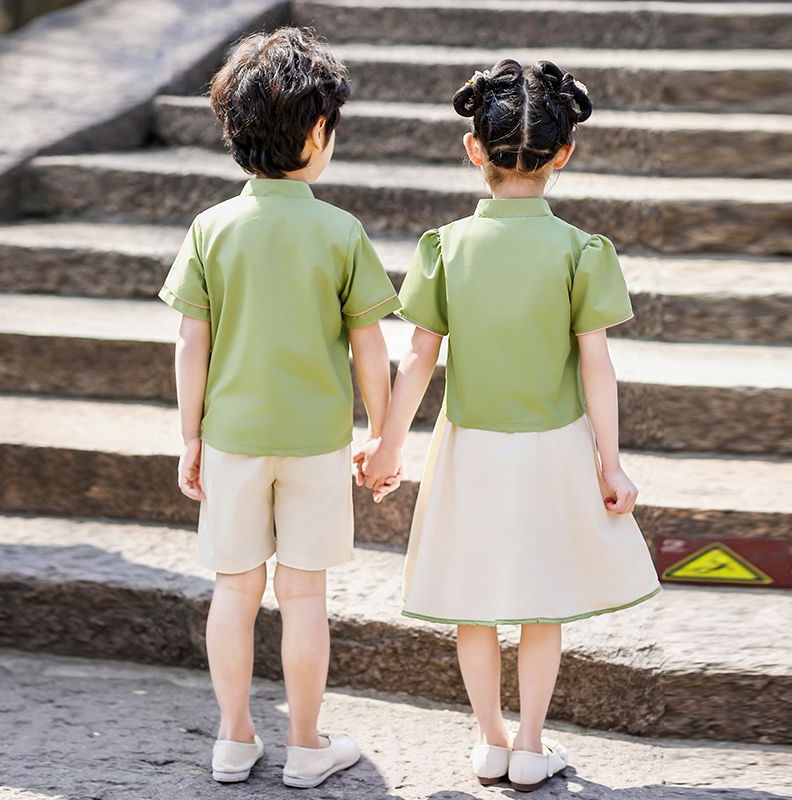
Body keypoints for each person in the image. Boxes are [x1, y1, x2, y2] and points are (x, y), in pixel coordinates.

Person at [356, 59, 661, 792]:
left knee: (476, 600)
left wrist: (388, 442)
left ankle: (489, 739)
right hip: (555, 448)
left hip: (470, 447)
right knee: (541, 600)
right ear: (564, 154)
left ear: (474, 151)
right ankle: (530, 743)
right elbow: (597, 366)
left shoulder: (446, 247)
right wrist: (610, 462)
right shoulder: (581, 252)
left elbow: (419, 355)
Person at [159, 27, 401, 789]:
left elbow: (189, 344)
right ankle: (305, 745)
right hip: (316, 444)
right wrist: (383, 436)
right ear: (319, 130)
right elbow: (370, 347)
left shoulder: (211, 228)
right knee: (304, 597)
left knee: (234, 591)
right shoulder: (340, 232)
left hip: (231, 437)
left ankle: (234, 739)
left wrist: (189, 436)